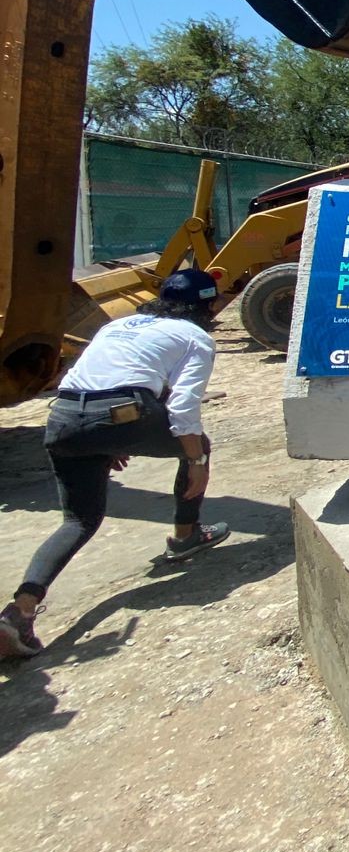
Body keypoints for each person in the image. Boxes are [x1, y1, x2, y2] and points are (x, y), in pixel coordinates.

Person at [0, 269, 230, 660]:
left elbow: (89, 378)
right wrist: (196, 460)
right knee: (198, 444)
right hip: (122, 415)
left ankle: (19, 611)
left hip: (65, 419)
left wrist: (104, 440)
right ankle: (185, 536)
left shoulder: (119, 326)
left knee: (77, 521)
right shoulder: (195, 338)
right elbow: (183, 407)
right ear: (207, 306)